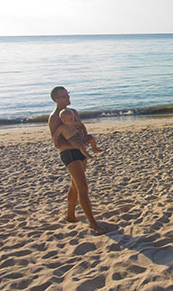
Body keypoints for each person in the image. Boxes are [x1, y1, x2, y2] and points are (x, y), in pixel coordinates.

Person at [49, 86, 107, 235]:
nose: (68, 97)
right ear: (56, 99)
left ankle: (70, 215)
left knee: (75, 185)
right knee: (83, 188)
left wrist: (85, 139)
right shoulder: (54, 118)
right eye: (64, 96)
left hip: (80, 151)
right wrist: (77, 145)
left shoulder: (73, 112)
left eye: (68, 94)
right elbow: (58, 143)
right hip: (69, 154)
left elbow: (80, 128)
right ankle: (93, 224)